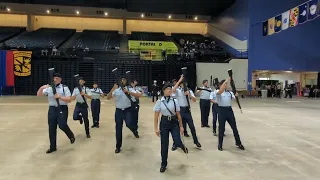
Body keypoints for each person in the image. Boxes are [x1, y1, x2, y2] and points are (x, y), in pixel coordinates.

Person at [37, 73, 75, 154]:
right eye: (54, 78)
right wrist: (42, 88)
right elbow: (39, 95)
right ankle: (53, 147)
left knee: (62, 124)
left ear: (60, 80)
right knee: (51, 128)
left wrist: (60, 97)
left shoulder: (64, 88)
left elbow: (69, 100)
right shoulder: (49, 88)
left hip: (62, 108)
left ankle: (70, 135)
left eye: (57, 78)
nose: (55, 80)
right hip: (52, 109)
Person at [153, 83, 188, 173]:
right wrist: (156, 128)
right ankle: (163, 164)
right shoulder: (159, 102)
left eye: (170, 89)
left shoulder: (175, 101)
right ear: (163, 90)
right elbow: (156, 116)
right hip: (164, 123)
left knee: (177, 140)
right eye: (168, 89)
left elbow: (178, 114)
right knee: (164, 145)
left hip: (174, 123)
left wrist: (181, 126)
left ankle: (181, 145)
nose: (170, 90)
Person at [106, 77, 141, 153]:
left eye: (124, 80)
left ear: (126, 81)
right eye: (121, 80)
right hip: (118, 111)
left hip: (127, 110)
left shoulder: (130, 89)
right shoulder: (116, 90)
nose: (123, 81)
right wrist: (113, 88)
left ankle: (134, 130)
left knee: (129, 124)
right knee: (118, 129)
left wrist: (129, 92)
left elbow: (138, 95)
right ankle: (118, 146)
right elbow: (108, 98)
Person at [214, 78, 245, 151]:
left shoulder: (229, 93)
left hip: (229, 111)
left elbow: (235, 98)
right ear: (220, 85)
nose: (226, 85)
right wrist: (226, 81)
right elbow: (220, 91)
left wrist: (237, 95)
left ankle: (238, 143)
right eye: (224, 84)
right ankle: (220, 145)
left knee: (234, 128)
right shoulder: (217, 92)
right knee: (221, 129)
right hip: (221, 111)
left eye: (226, 84)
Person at [171, 75, 201, 151]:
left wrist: (189, 95)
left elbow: (194, 100)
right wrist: (179, 80)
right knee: (177, 128)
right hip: (179, 110)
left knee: (192, 127)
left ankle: (196, 141)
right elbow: (173, 90)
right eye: (182, 83)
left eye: (185, 83)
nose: (184, 85)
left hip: (187, 111)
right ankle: (175, 143)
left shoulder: (188, 90)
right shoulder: (177, 90)